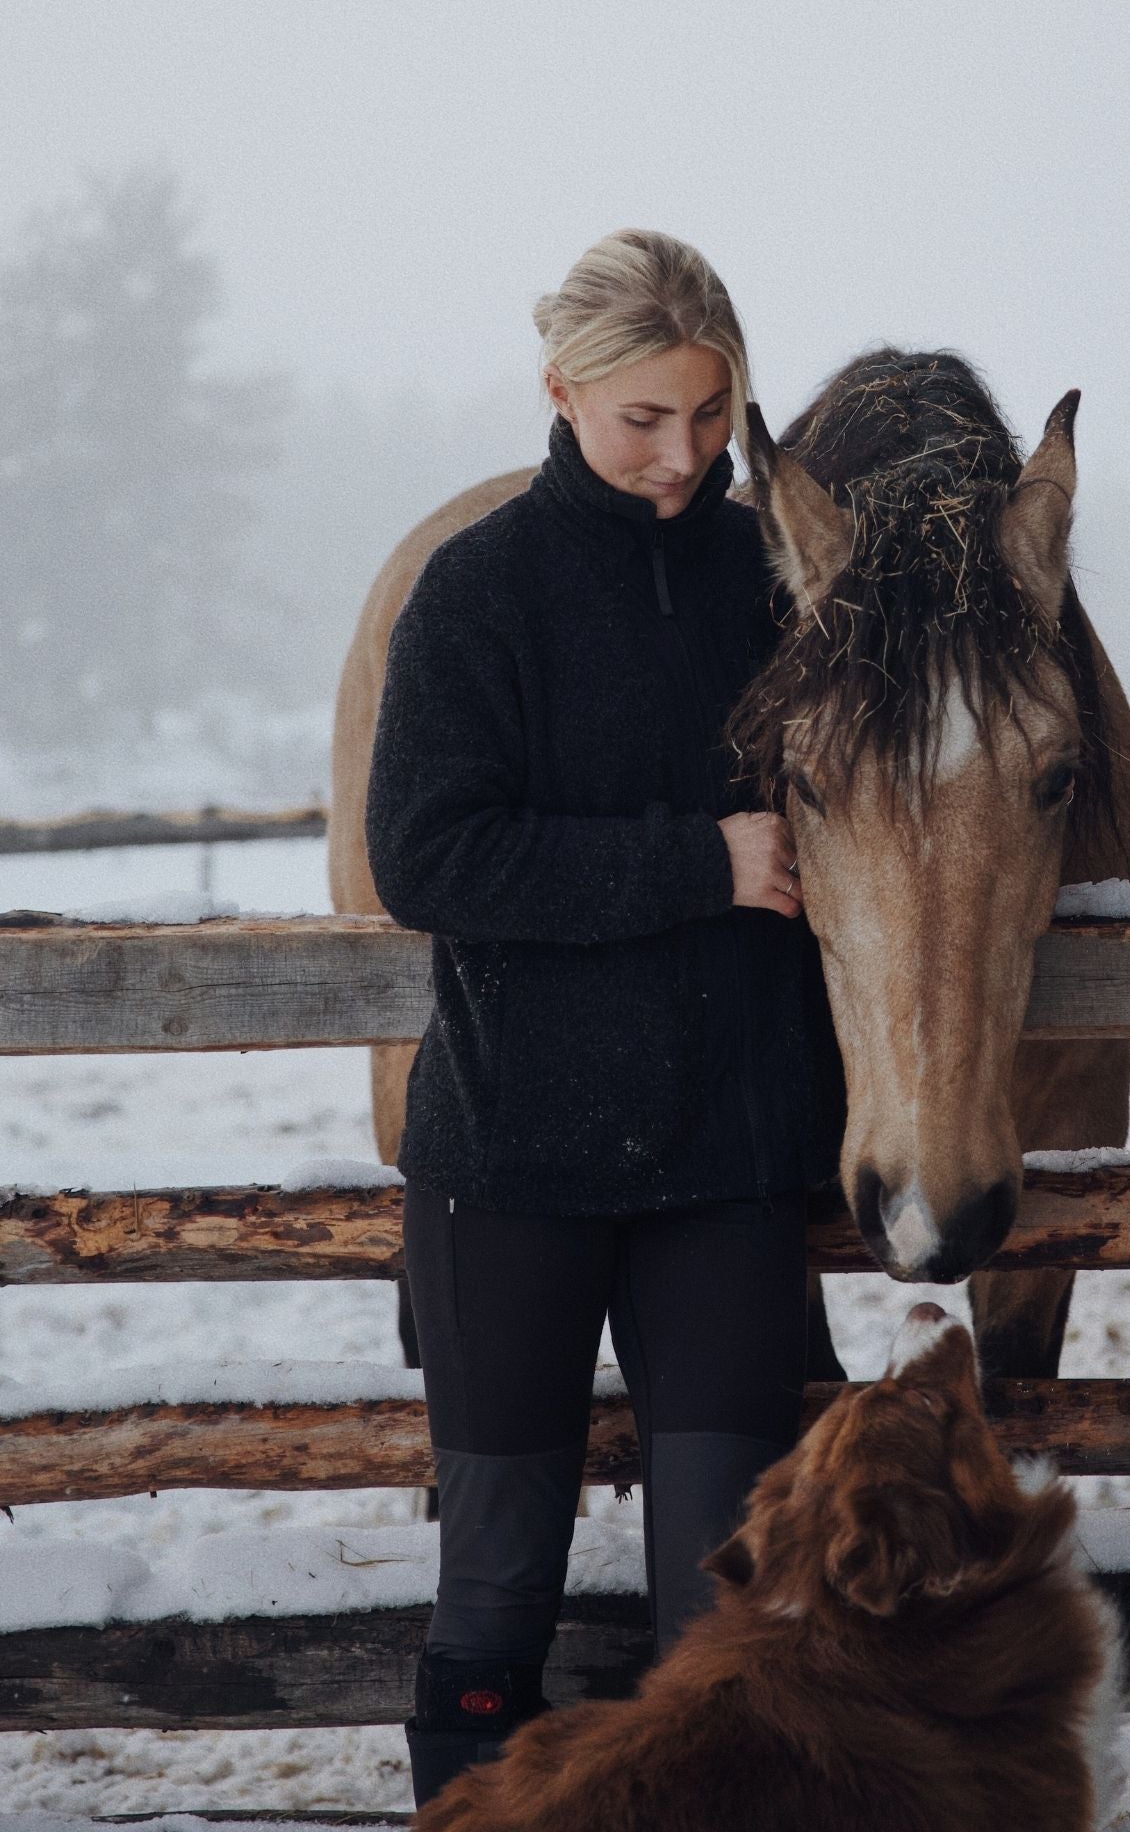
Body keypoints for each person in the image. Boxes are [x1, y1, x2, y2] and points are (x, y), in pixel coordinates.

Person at [364, 229, 844, 1809]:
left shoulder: (780, 583)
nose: (681, 456)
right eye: (645, 417)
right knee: (495, 1599)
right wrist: (699, 861)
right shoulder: (479, 591)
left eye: (710, 417)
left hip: (729, 1160)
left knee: (720, 1618)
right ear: (561, 391)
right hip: (510, 1164)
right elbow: (431, 853)